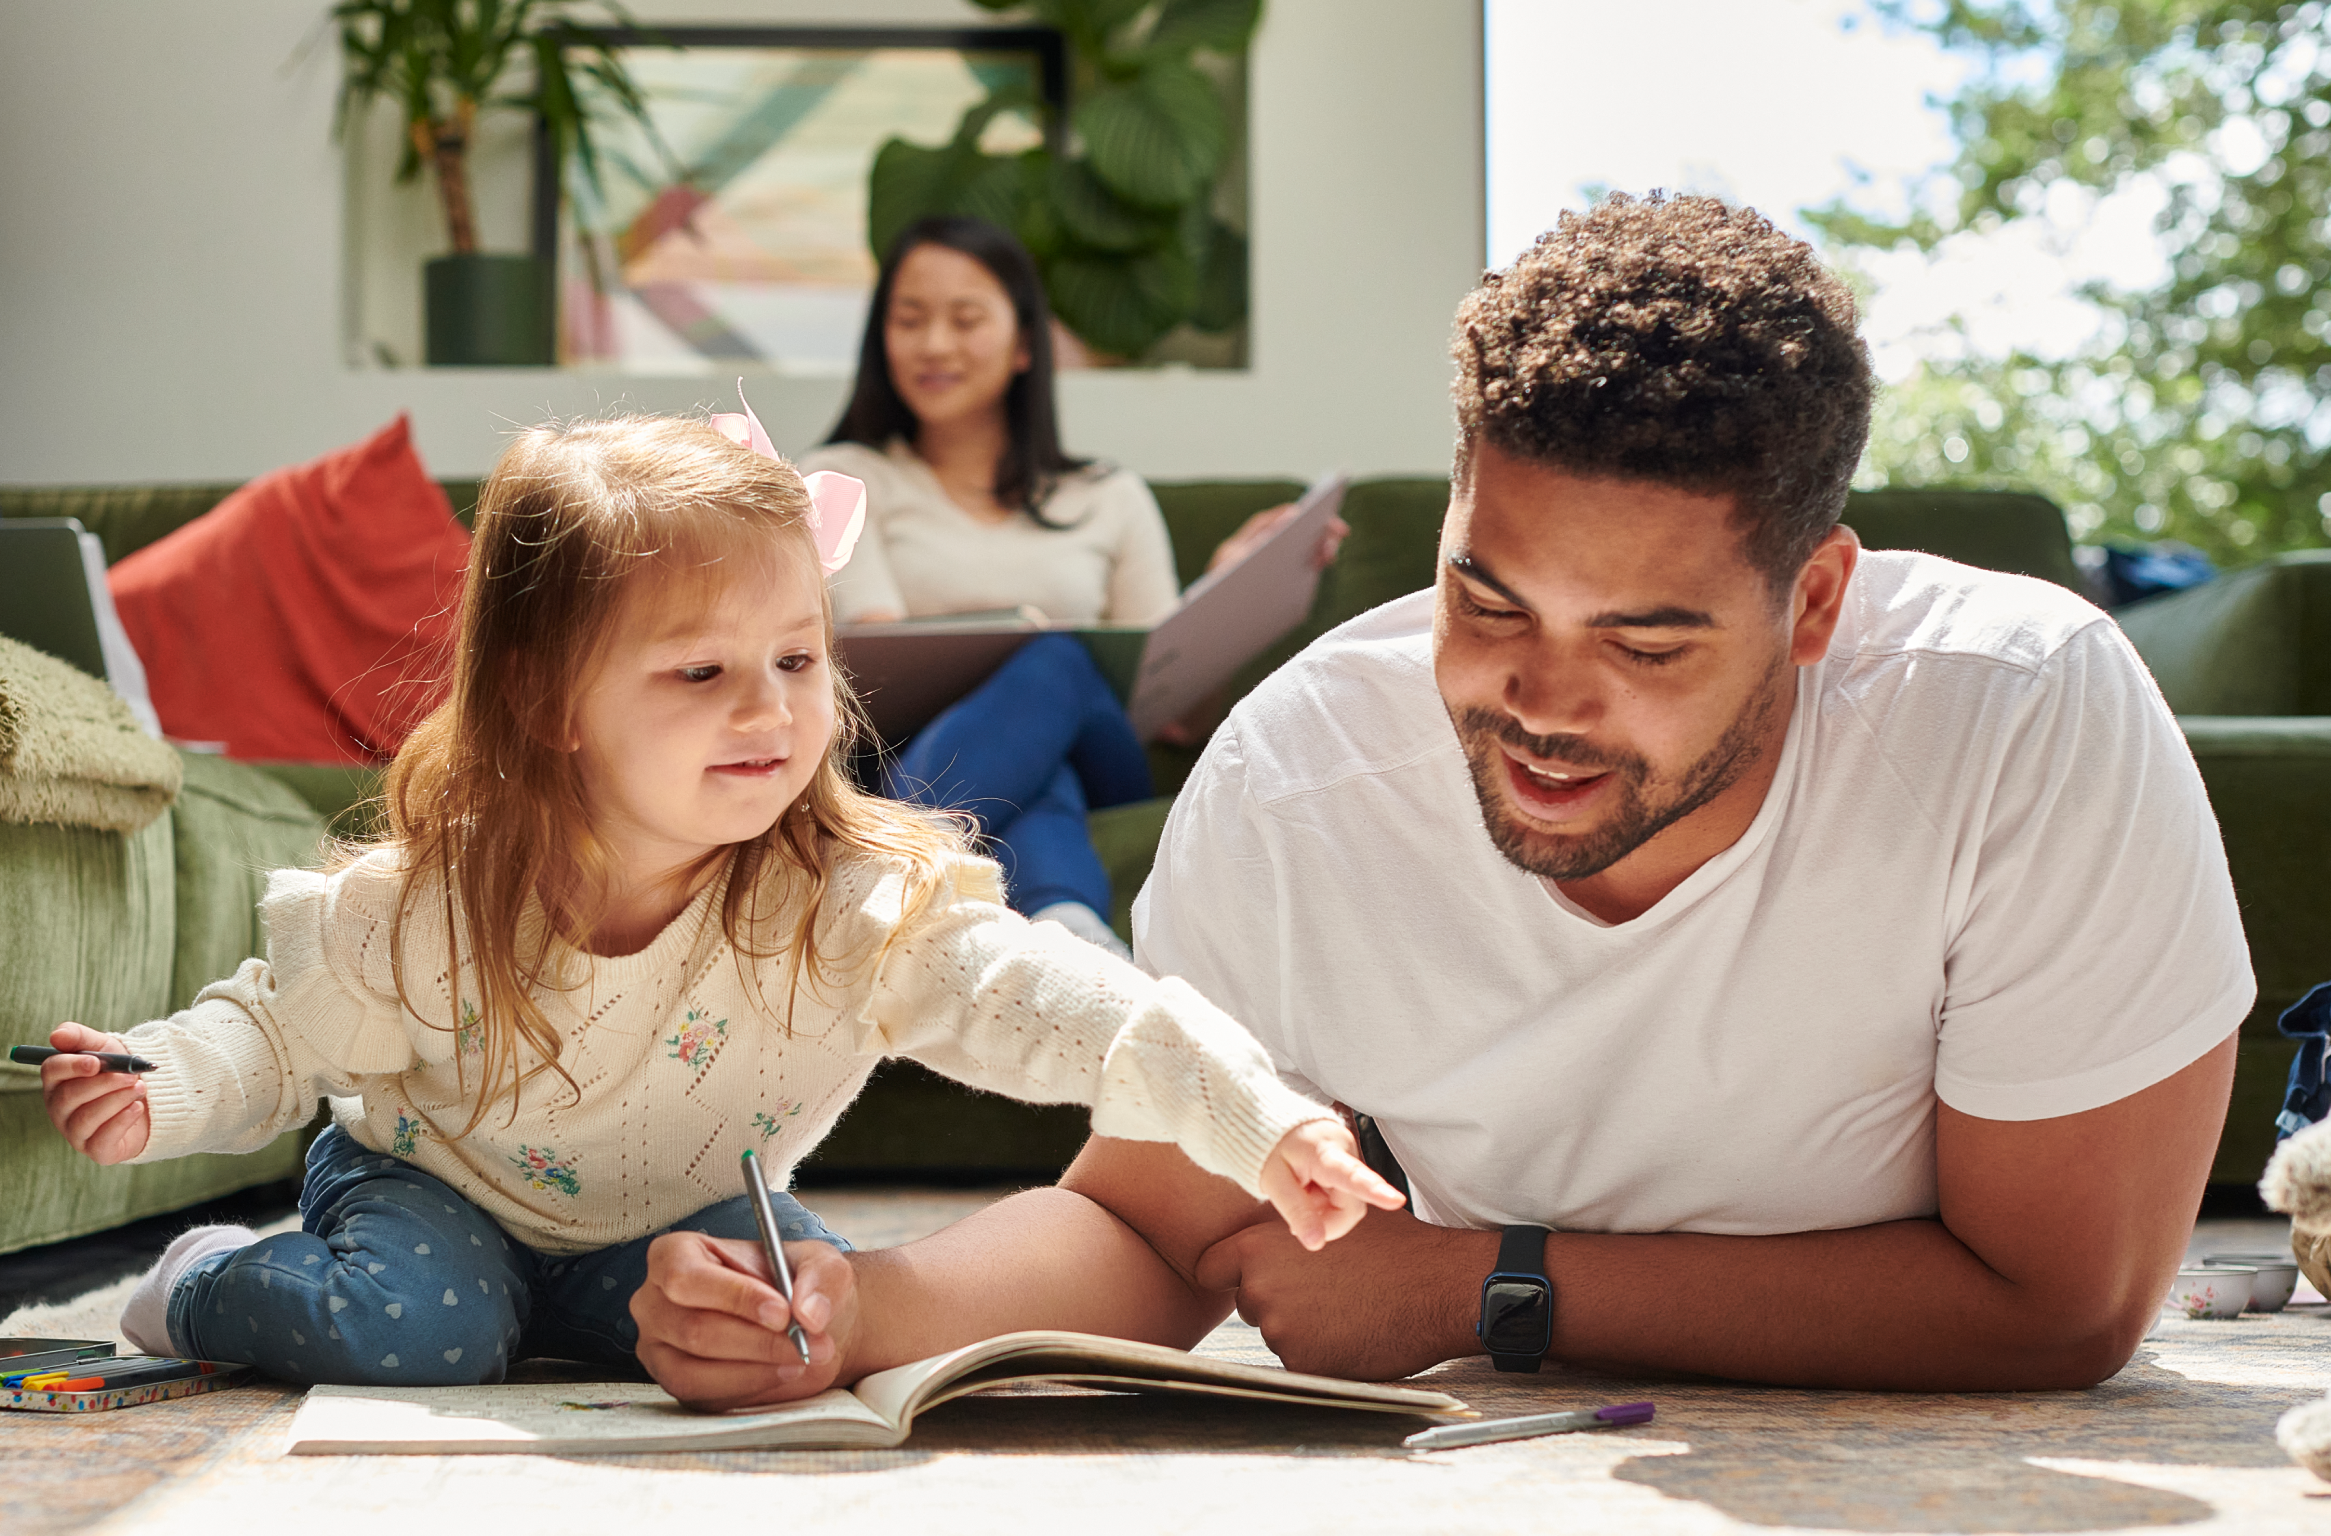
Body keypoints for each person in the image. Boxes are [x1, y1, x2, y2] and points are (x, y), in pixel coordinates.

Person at [633, 193, 2252, 1405]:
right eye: (1490, 604)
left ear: (1815, 606)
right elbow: (1157, 1226)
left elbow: (2060, 1307)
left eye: (1647, 640)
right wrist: (858, 1308)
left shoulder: (2022, 717)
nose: (1544, 705)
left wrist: (1495, 1288)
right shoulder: (1304, 780)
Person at [30, 411, 1398, 1388]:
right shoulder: (442, 900)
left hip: (676, 1213)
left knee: (786, 1331)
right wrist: (158, 1087)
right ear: (544, 701)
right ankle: (206, 1280)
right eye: (700, 673)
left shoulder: (848, 900)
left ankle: (558, 1321)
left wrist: (1254, 1117)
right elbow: (273, 1035)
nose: (771, 710)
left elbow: (1057, 1005)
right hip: (432, 1189)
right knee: (427, 1334)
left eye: (798, 660)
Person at [810, 215, 1332, 959]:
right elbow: (879, 654)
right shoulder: (844, 474)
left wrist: (1227, 585)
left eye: (965, 319)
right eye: (909, 319)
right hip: (899, 749)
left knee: (1058, 662)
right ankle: (1075, 935)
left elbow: (1177, 716)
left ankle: (887, 865)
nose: (934, 344)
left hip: (1094, 759)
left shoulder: (1109, 495)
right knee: (1037, 766)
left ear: (1026, 343)